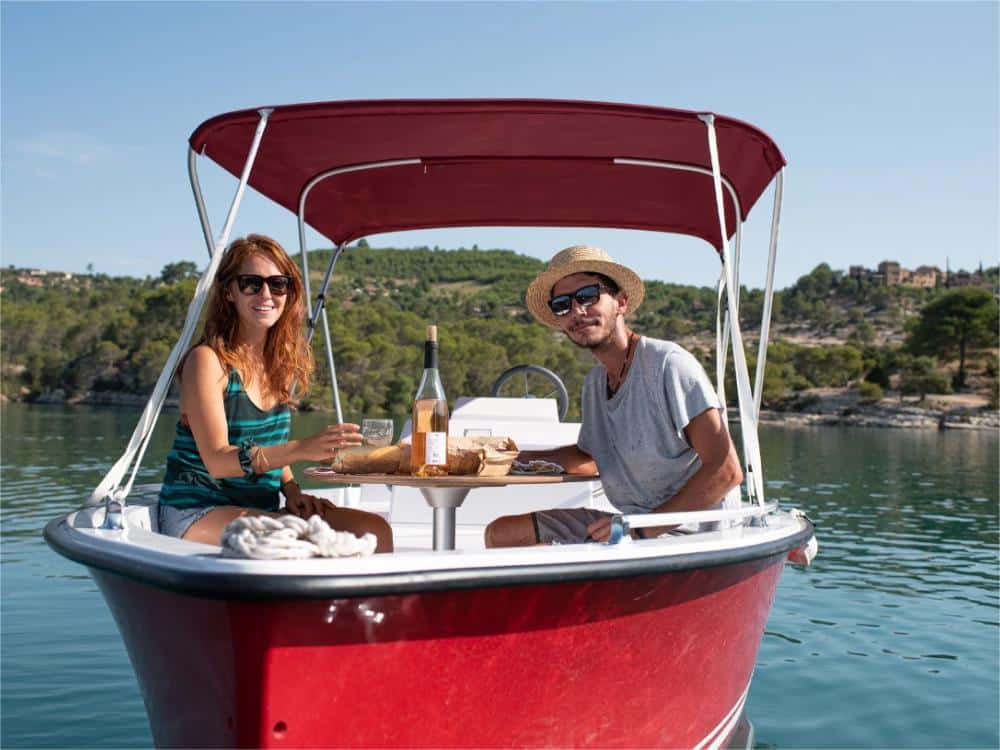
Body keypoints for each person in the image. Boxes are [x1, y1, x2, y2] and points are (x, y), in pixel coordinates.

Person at [485, 245, 743, 546]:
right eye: (562, 305)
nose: (577, 312)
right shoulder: (595, 383)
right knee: (501, 534)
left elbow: (726, 470)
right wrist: (511, 459)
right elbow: (590, 458)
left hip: (687, 532)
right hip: (628, 524)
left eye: (587, 297)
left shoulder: (668, 365)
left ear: (621, 302)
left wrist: (640, 530)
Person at [157, 234, 393, 552]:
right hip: (199, 511)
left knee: (375, 530)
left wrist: (292, 490)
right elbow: (218, 461)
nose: (266, 294)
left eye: (278, 284)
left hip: (262, 512)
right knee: (300, 542)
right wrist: (302, 448)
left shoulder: (279, 363)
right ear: (229, 292)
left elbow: (269, 449)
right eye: (251, 283)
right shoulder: (208, 360)